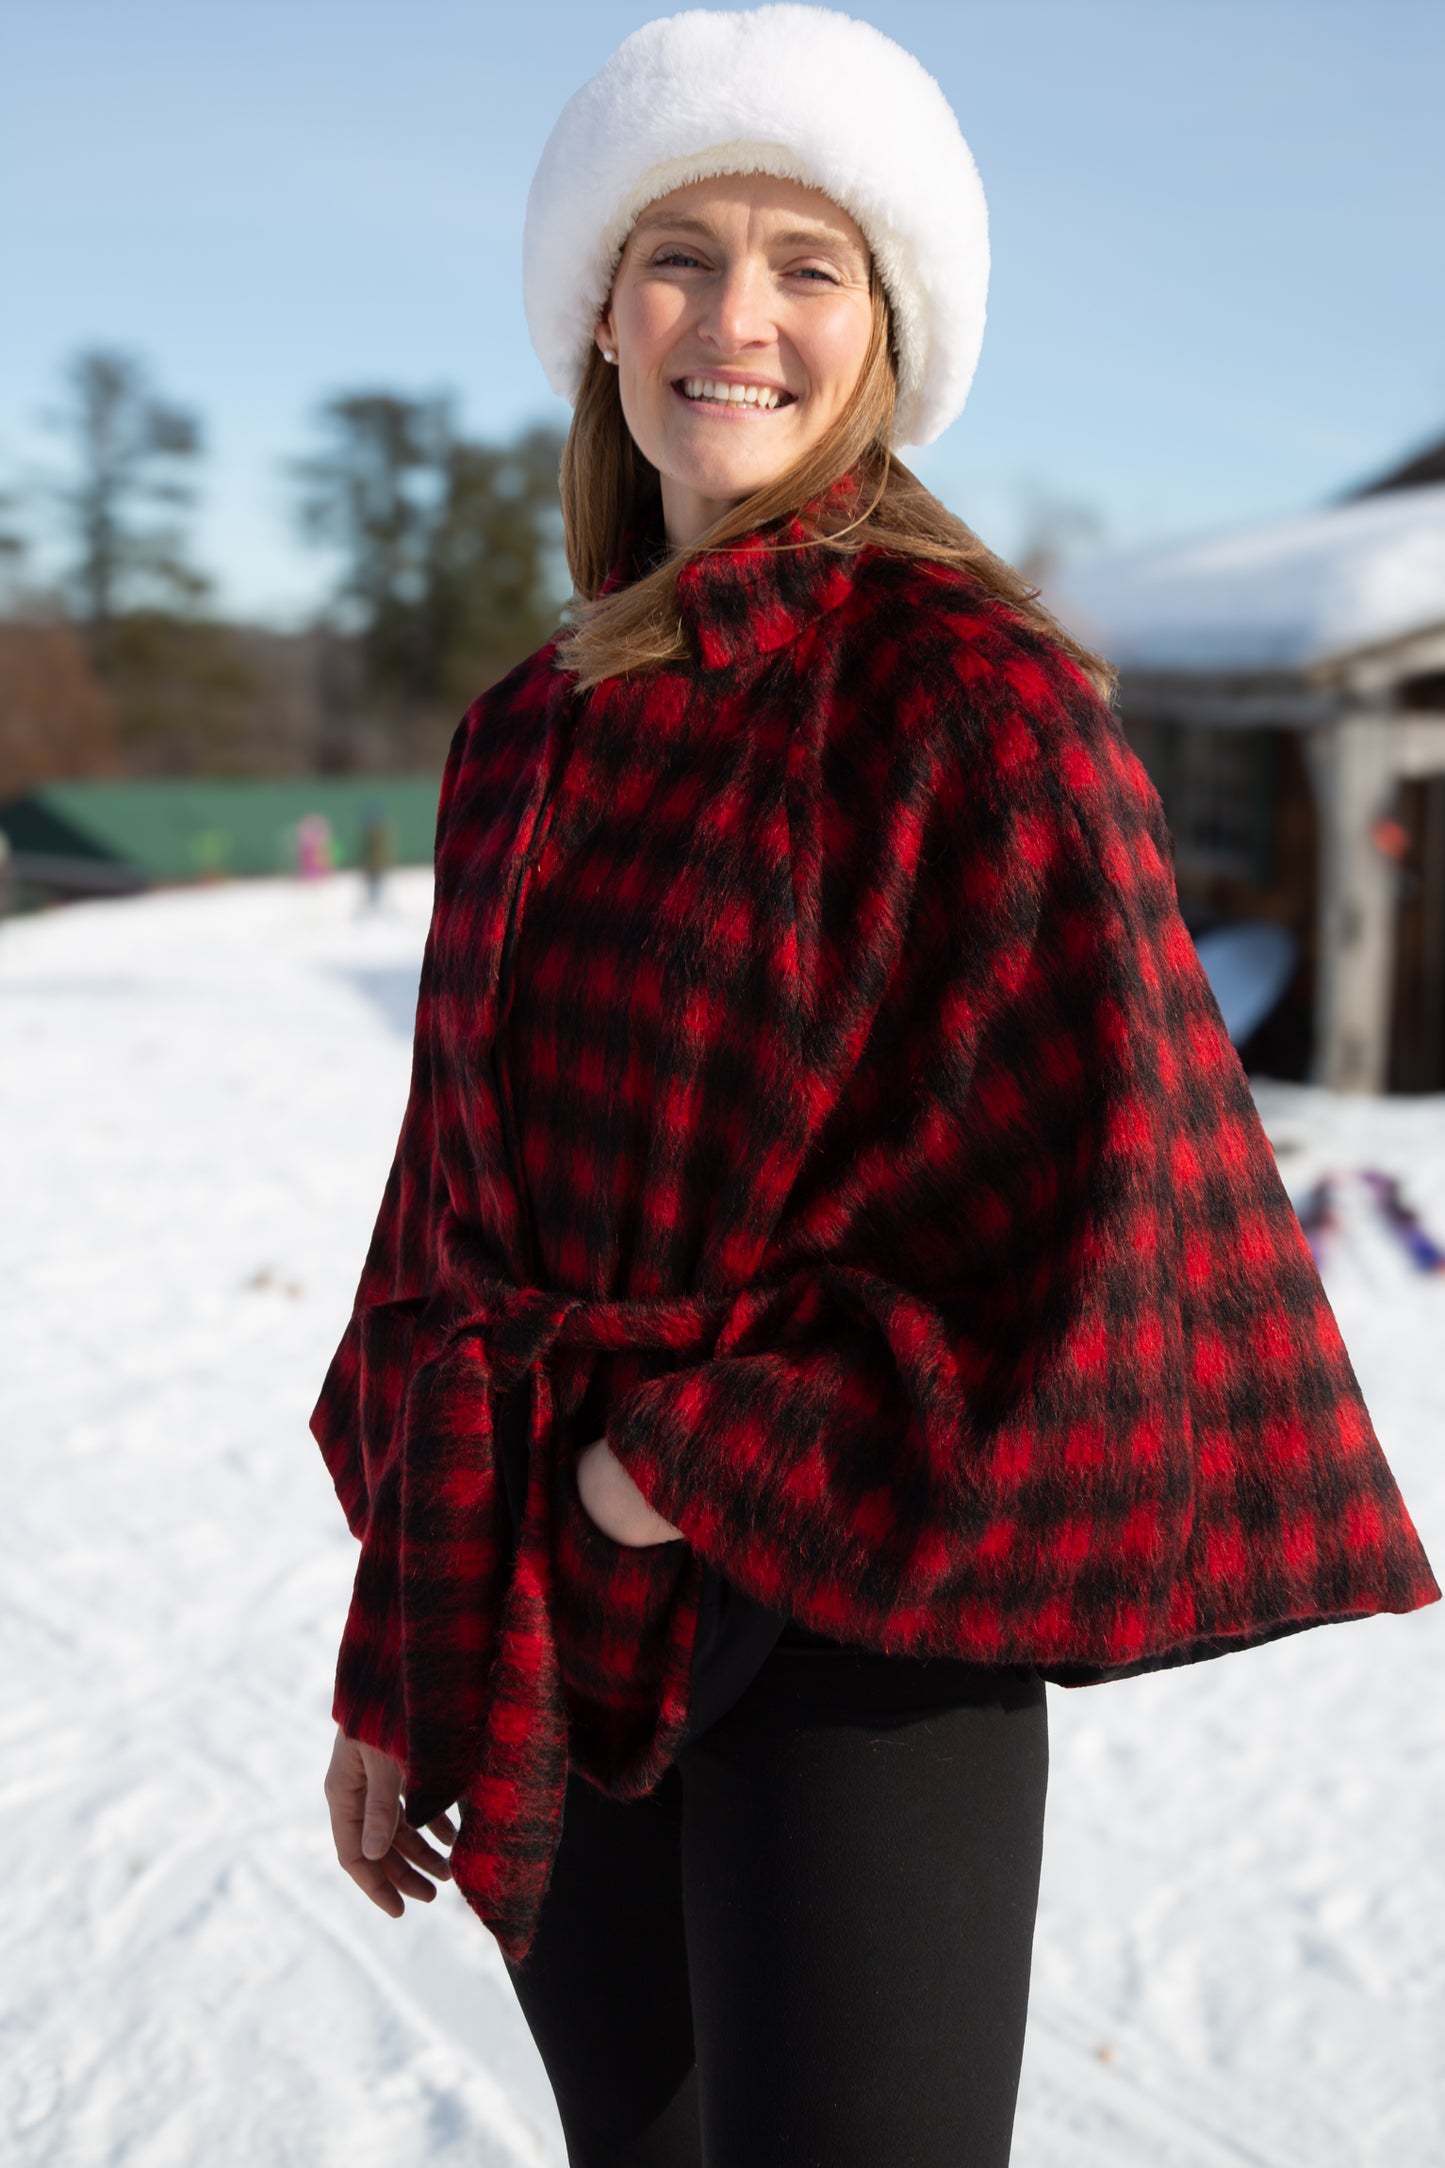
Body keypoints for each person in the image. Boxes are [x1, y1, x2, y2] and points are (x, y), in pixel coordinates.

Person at [310, 11, 1441, 2166]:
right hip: (558, 1585)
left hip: (860, 1615)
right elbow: (441, 1213)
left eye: (809, 264)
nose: (739, 319)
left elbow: (1102, 1253)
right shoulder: (523, 732)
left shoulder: (985, 706)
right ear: (598, 317)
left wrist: (692, 1466)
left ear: (888, 332)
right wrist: (400, 1648)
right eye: (681, 254)